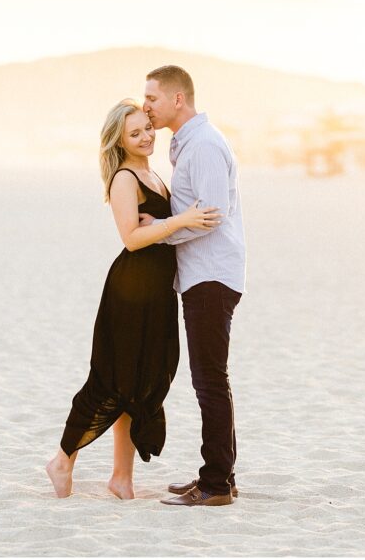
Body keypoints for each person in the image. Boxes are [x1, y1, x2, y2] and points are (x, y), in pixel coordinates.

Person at [45, 98, 222, 500]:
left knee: (138, 384)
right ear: (119, 140)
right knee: (109, 381)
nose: (145, 137)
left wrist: (171, 223)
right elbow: (132, 238)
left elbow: (156, 228)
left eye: (147, 128)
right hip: (130, 292)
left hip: (156, 293)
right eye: (134, 133)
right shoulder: (125, 178)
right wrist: (180, 220)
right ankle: (62, 461)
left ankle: (121, 478)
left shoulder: (152, 173)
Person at [140, 65, 247, 507]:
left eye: (152, 98)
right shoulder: (190, 142)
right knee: (211, 379)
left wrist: (160, 229)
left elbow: (211, 214)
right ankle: (220, 476)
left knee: (209, 380)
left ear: (177, 99)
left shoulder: (202, 145)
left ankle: (215, 485)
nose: (146, 106)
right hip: (204, 273)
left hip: (211, 275)